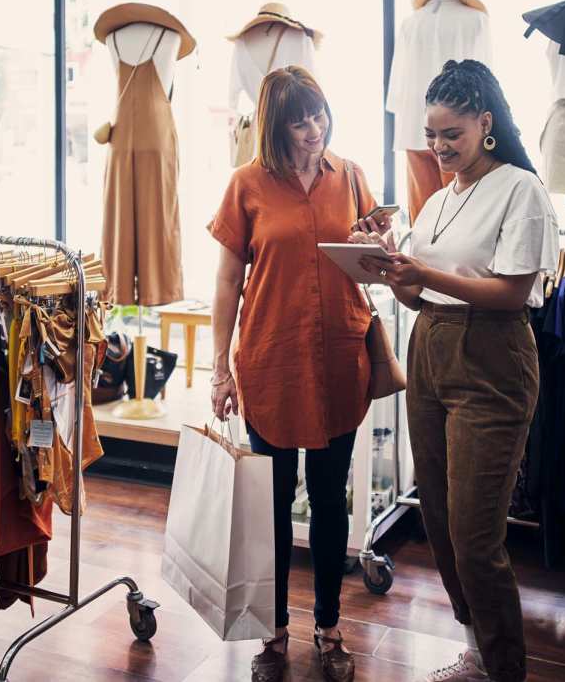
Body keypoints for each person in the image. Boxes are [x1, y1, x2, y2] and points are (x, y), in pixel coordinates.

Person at [351, 59, 558, 682]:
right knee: (438, 517)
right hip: (430, 349)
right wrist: (388, 262)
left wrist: (426, 275)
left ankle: (504, 669)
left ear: (485, 124)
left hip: (492, 358)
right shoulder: (440, 199)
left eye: (452, 135)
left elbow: (513, 292)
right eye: (432, 135)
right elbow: (420, 298)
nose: (438, 147)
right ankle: (476, 649)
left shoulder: (520, 189)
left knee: (474, 533)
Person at [208, 66, 390, 682]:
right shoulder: (246, 184)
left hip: (340, 357)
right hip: (272, 361)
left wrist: (378, 246)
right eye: (299, 120)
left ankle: (330, 627)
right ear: (275, 125)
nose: (314, 130)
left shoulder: (353, 177)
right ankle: (275, 631)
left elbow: (374, 268)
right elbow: (228, 283)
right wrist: (219, 369)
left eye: (319, 114)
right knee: (275, 503)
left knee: (332, 496)